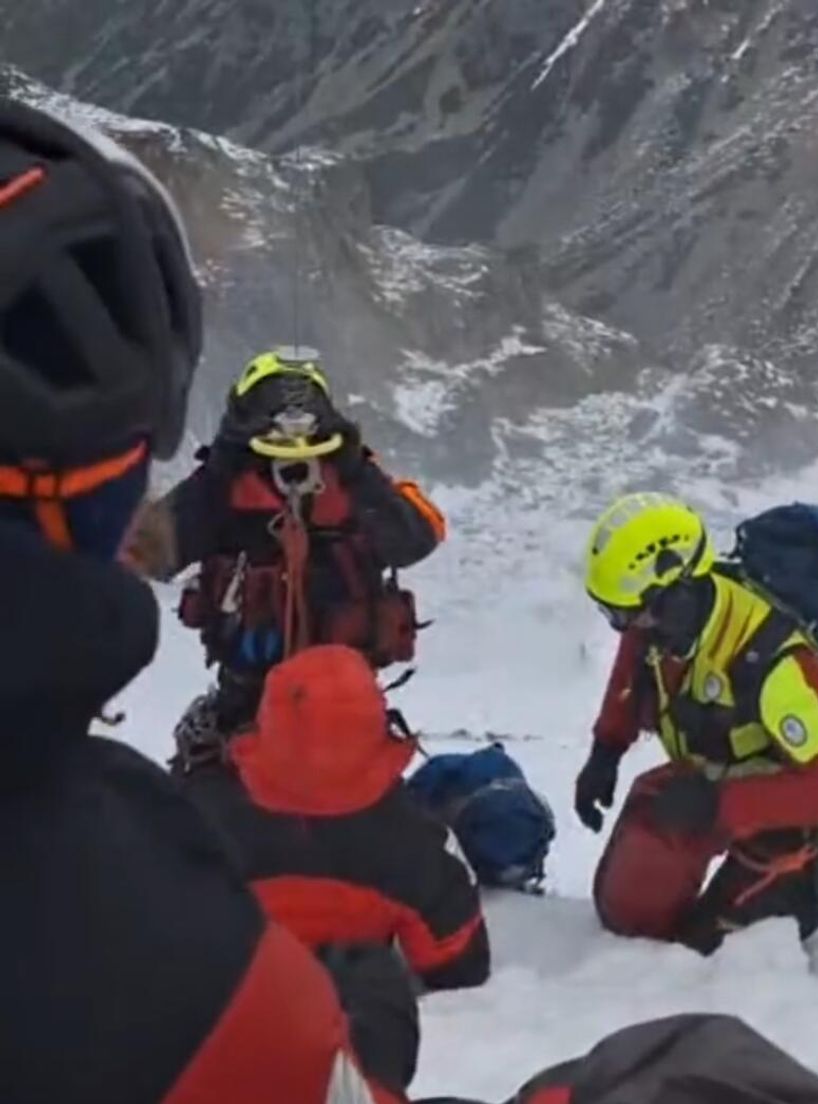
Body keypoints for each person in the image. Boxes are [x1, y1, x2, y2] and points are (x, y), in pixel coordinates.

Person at [0, 100, 393, 1102]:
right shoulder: (157, 950)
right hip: (264, 713)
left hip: (293, 710)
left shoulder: (287, 501)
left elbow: (145, 551)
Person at [575, 492, 818, 955]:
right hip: (708, 780)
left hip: (785, 807)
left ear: (680, 590)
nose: (626, 626)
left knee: (713, 944)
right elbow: (632, 670)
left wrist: (719, 805)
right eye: (616, 614)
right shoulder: (662, 624)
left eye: (629, 612)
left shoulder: (777, 661)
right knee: (629, 916)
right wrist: (606, 750)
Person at [124, 347, 445, 766]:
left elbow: (417, 536)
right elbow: (150, 554)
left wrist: (352, 468)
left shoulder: (343, 486)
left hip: (314, 705)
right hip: (283, 705)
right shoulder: (230, 491)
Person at [181, 645, 491, 1067]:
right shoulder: (416, 843)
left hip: (216, 1024)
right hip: (358, 1027)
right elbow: (461, 966)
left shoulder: (196, 813)